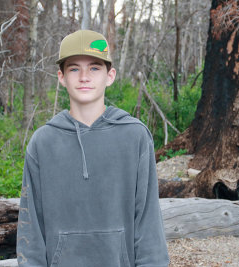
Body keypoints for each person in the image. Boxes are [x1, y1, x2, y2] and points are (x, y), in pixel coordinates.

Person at [16, 30, 169, 267]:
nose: (84, 77)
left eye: (95, 68)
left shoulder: (135, 136)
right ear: (61, 76)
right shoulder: (42, 142)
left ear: (110, 75)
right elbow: (30, 228)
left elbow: (149, 223)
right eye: (74, 68)